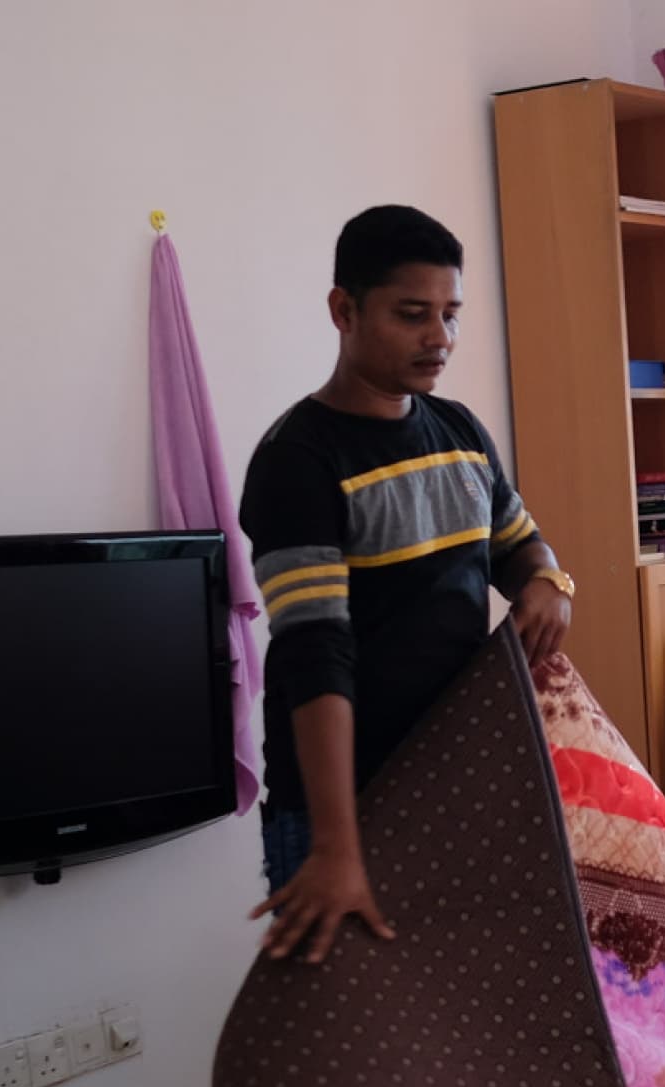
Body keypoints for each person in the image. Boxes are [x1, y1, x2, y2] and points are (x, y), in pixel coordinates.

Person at [240, 205, 576, 963]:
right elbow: (314, 653)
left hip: (455, 789)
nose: (440, 338)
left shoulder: (458, 431)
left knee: (463, 1033)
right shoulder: (300, 460)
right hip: (343, 808)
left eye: (450, 315)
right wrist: (335, 847)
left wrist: (551, 583)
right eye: (412, 314)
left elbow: (521, 547)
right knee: (353, 1055)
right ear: (344, 310)